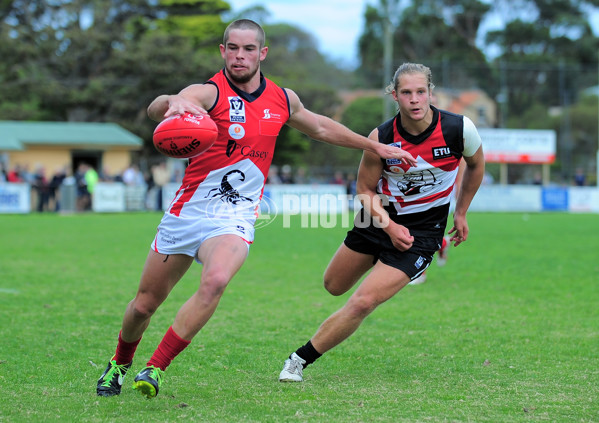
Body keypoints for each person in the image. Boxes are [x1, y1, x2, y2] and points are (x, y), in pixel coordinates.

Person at [95, 19, 416, 399]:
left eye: (249, 49)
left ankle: (156, 368)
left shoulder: (282, 99)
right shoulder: (208, 92)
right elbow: (159, 108)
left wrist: (374, 146)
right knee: (144, 305)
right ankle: (119, 362)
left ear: (262, 53)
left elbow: (321, 128)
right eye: (233, 48)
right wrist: (173, 102)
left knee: (215, 281)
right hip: (187, 213)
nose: (240, 56)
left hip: (235, 216)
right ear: (223, 51)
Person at [278, 62, 485, 382]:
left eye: (421, 92)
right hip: (377, 218)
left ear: (431, 93)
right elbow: (363, 190)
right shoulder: (383, 136)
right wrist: (387, 225)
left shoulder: (459, 129)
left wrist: (461, 211)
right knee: (334, 286)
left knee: (363, 301)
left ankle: (298, 361)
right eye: (406, 93)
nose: (415, 99)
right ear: (394, 95)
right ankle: (380, 257)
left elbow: (476, 165)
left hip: (422, 233)